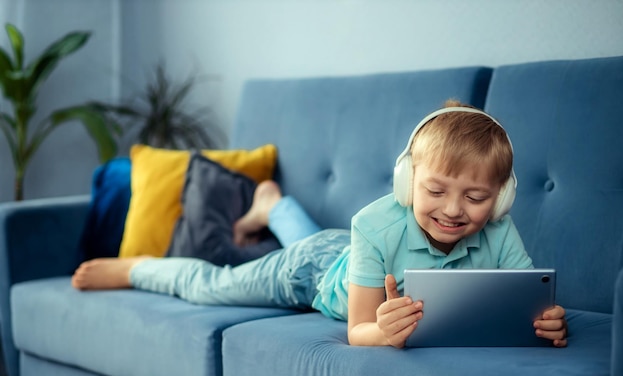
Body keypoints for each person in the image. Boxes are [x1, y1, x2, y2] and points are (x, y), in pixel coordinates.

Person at [72, 100, 568, 349]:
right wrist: (384, 333)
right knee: (215, 285)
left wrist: (544, 322)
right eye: (436, 191)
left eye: (476, 198)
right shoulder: (375, 223)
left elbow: (524, 300)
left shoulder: (499, 231)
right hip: (312, 272)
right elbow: (358, 329)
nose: (454, 210)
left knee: (320, 241)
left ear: (501, 199)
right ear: (406, 182)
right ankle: (137, 268)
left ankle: (273, 206)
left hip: (340, 251)